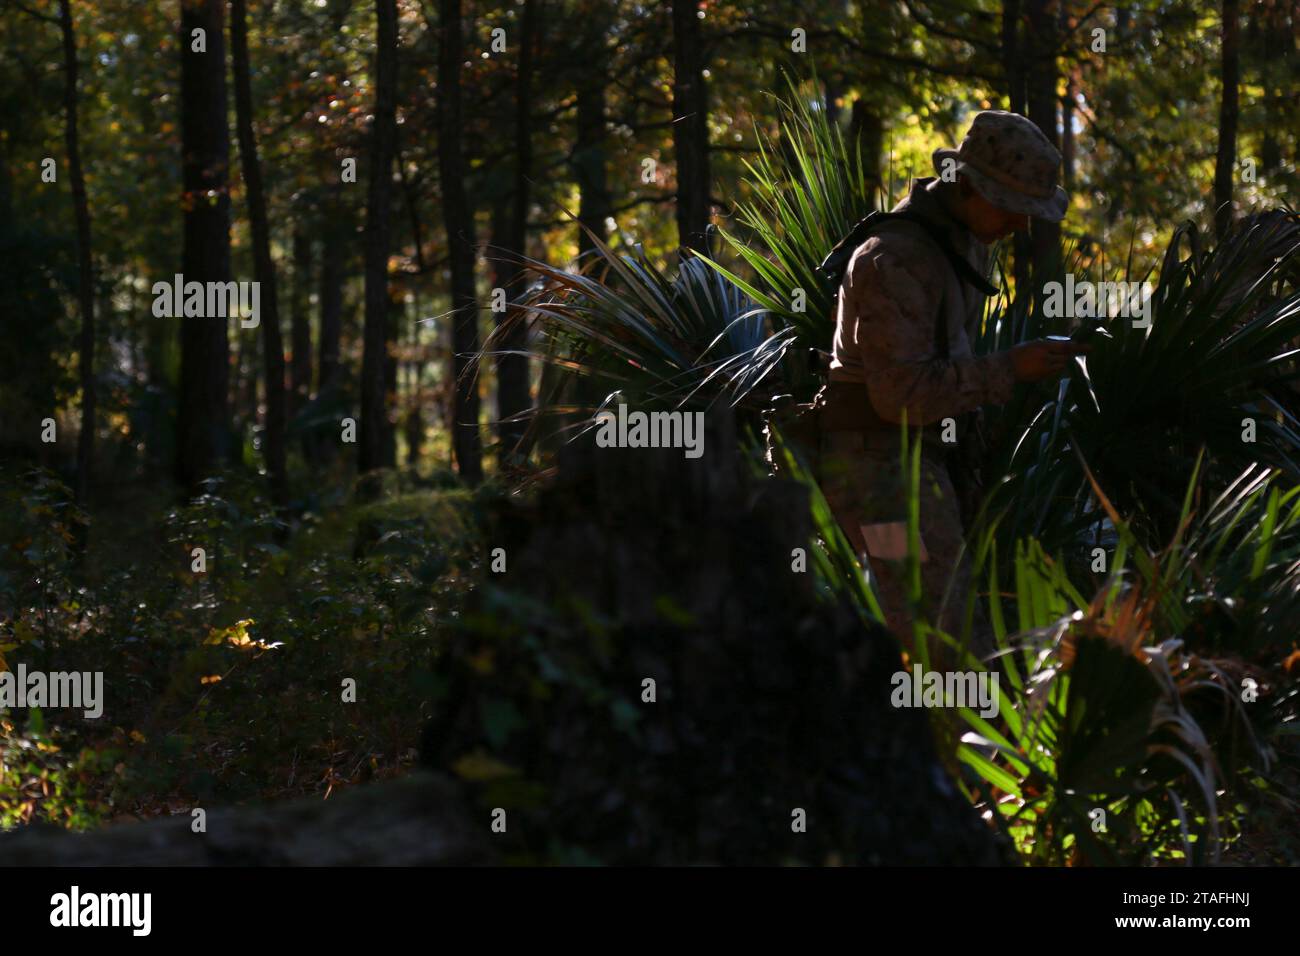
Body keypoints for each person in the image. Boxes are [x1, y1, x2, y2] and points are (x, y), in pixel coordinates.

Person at [818, 109, 1086, 667]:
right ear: (966, 186)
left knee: (940, 629)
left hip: (918, 464)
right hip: (879, 482)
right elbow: (900, 395)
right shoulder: (895, 259)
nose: (1021, 225)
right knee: (944, 638)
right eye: (1012, 207)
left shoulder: (960, 239)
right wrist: (1009, 368)